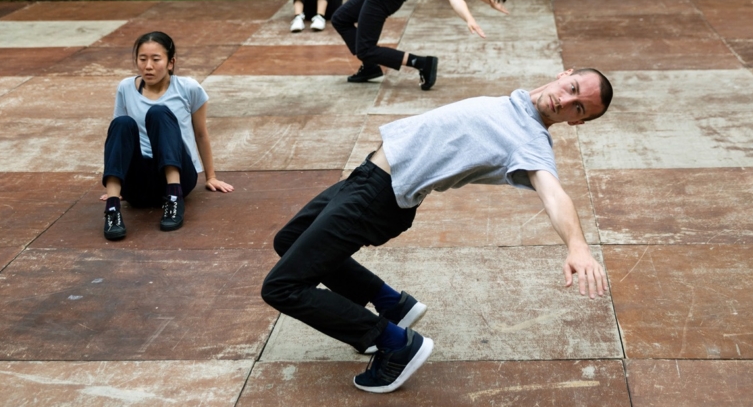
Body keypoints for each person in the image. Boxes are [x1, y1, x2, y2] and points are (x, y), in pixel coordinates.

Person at [262, 67, 613, 393]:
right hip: (367, 177)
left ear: (575, 123)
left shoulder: (532, 141)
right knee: (289, 240)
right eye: (572, 89)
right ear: (564, 75)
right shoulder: (517, 104)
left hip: (377, 197)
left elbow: (554, 194)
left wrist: (577, 245)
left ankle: (396, 344)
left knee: (282, 287)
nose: (565, 101)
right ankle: (393, 305)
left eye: (578, 108)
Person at [101, 31, 233, 241]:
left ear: (171, 63)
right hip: (139, 184)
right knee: (121, 123)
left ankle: (173, 198)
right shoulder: (125, 87)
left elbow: (201, 133)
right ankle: (112, 210)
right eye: (142, 59)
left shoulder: (188, 88)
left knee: (159, 113)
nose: (148, 66)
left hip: (180, 177)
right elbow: (118, 139)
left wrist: (211, 177)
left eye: (156, 59)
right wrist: (114, 185)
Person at [332, 0, 516, 90]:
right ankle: (371, 67)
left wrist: (469, 18)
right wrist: (493, 3)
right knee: (340, 18)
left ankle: (421, 63)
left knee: (365, 49)